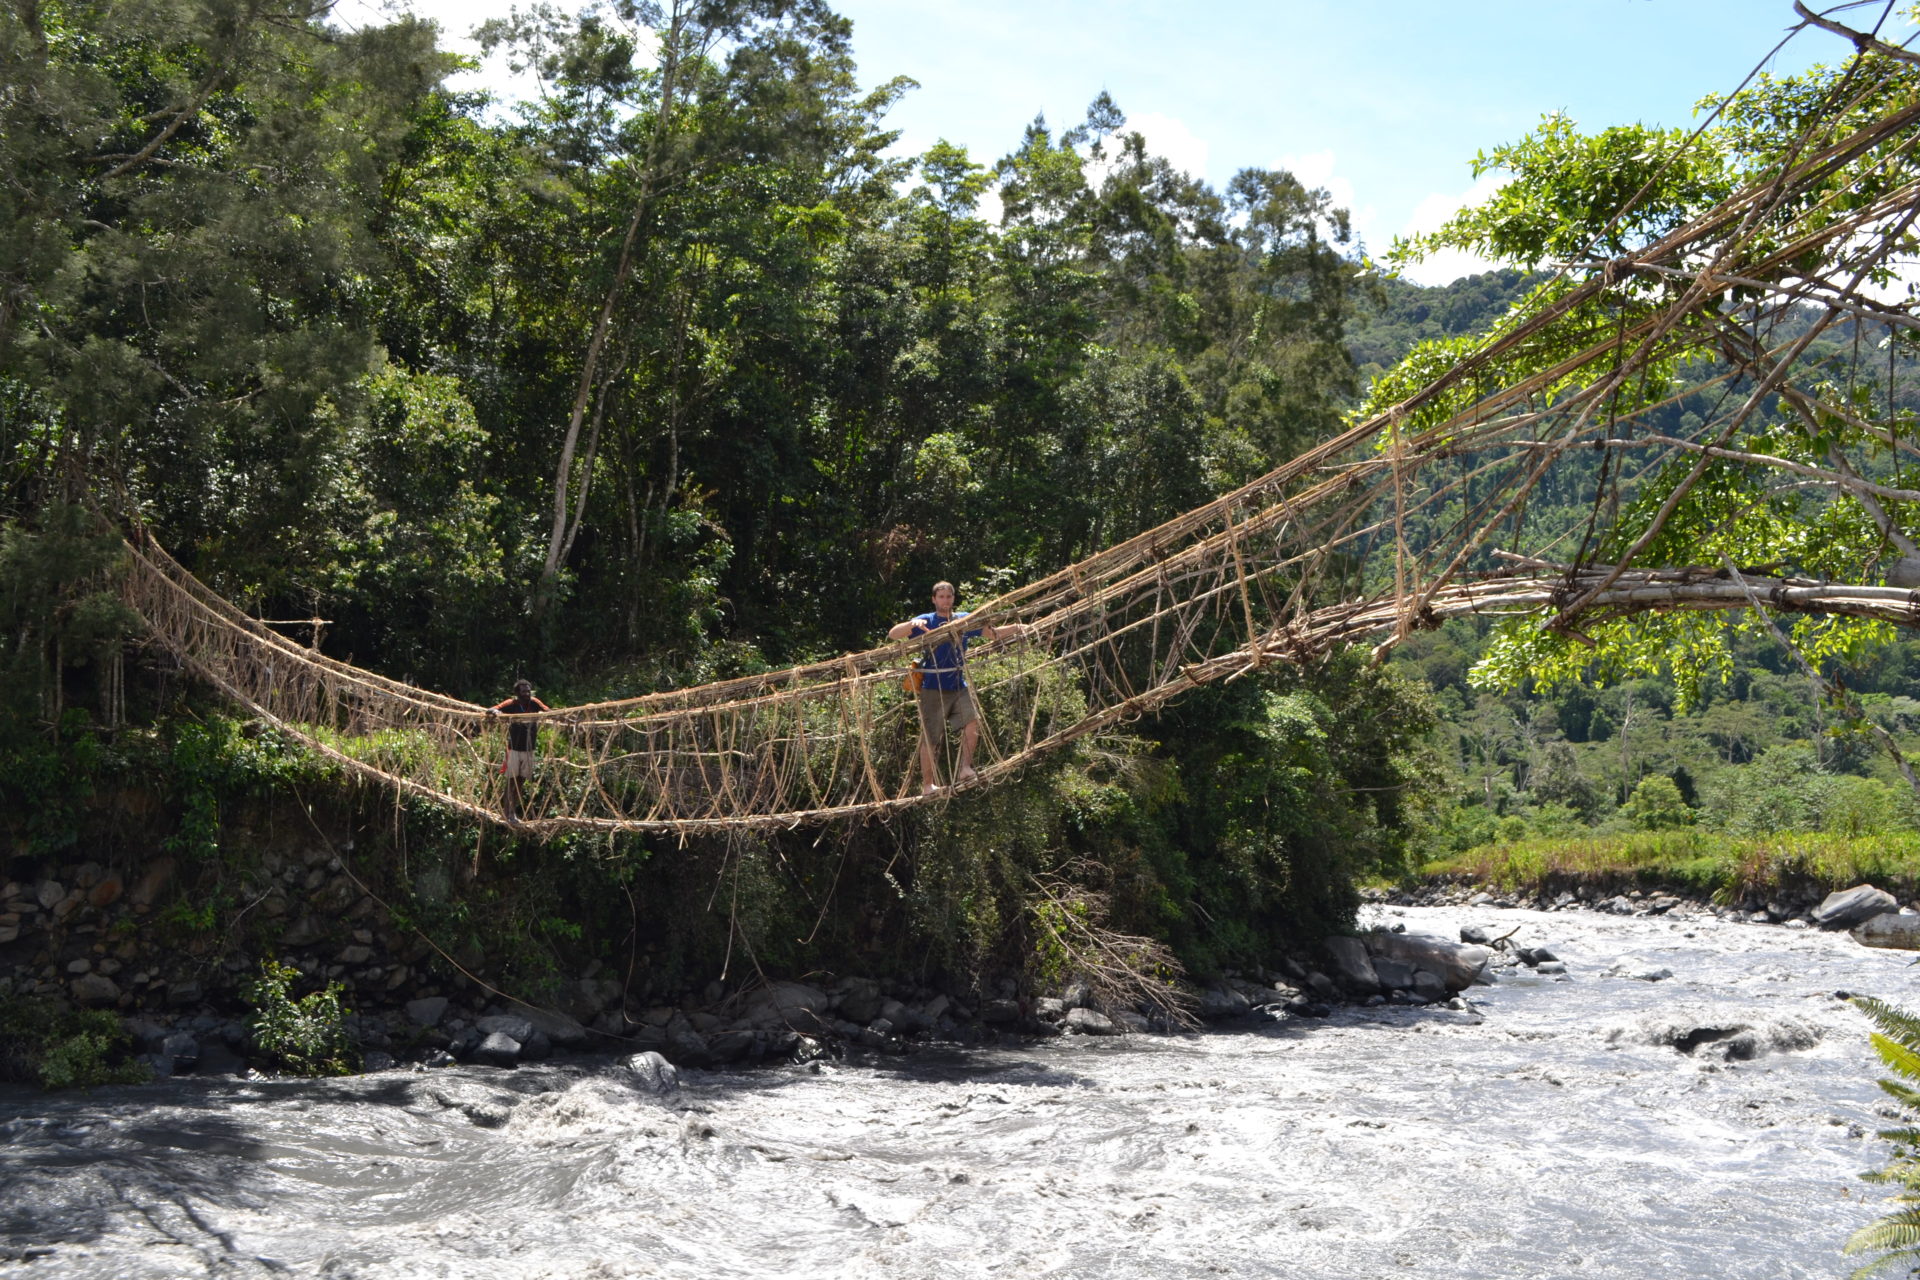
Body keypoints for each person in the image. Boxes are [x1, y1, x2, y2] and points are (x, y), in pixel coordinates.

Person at [888, 581, 1024, 796]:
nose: (945, 601)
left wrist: (1017, 628)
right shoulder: (927, 621)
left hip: (957, 684)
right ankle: (927, 785)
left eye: (948, 597)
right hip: (933, 687)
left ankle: (965, 769)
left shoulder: (963, 620)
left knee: (972, 723)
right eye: (941, 597)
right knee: (930, 738)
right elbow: (893, 634)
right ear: (934, 599)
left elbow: (993, 634)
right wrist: (911, 624)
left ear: (953, 598)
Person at [486, 678, 549, 822]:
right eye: (523, 691)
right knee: (511, 781)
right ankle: (507, 813)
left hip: (528, 749)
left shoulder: (534, 703)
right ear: (517, 693)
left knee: (520, 781)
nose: (527, 694)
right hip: (514, 749)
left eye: (528, 691)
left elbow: (548, 711)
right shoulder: (511, 704)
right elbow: (491, 709)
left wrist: (566, 716)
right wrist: (497, 712)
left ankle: (511, 812)